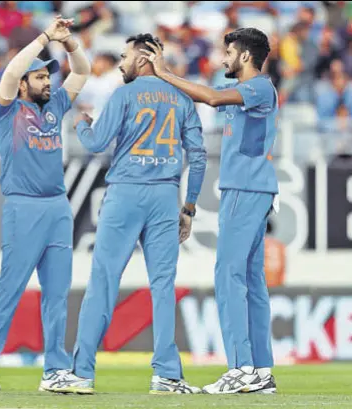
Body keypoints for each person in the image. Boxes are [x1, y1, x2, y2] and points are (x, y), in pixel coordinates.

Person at [44, 33, 206, 395]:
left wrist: (82, 124)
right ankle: (167, 375)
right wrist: (189, 206)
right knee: (163, 287)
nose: (120, 62)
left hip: (126, 194)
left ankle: (82, 373)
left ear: (144, 59)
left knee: (103, 283)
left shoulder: (124, 94)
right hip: (166, 196)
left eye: (125, 56)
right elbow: (197, 156)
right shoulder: (182, 97)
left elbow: (97, 143)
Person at [143, 27, 278, 394]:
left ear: (245, 57)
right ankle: (260, 370)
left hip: (244, 189)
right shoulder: (252, 92)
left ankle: (240, 368)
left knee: (228, 276)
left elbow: (214, 99)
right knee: (251, 281)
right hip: (253, 189)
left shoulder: (258, 87)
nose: (223, 59)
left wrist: (164, 73)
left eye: (228, 52)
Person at [0, 15, 91, 392]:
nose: (47, 81)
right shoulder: (7, 109)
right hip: (22, 208)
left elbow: (83, 71)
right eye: (40, 76)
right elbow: (10, 73)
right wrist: (43, 38)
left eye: (48, 76)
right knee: (10, 289)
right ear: (24, 82)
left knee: (57, 294)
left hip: (58, 207)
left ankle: (55, 370)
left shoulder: (55, 104)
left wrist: (68, 43)